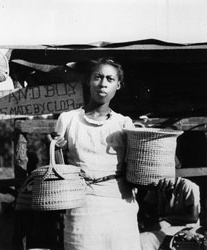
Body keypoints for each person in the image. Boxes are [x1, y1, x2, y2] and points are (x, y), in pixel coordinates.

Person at [53, 58, 141, 250]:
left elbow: (135, 167)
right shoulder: (68, 120)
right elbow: (57, 167)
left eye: (110, 79)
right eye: (98, 77)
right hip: (82, 205)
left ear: (118, 85)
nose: (103, 84)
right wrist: (55, 147)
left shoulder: (124, 123)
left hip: (120, 204)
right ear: (88, 81)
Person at [138, 177, 201, 250]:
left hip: (187, 231)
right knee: (142, 237)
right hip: (166, 227)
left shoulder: (188, 186)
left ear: (178, 166)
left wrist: (165, 218)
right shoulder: (159, 185)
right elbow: (147, 207)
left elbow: (193, 217)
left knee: (145, 238)